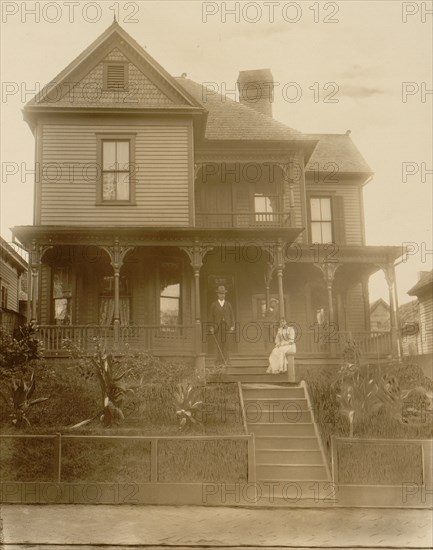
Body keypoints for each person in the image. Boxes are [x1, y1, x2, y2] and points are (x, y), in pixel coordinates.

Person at [209, 285, 235, 366]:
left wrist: (232, 325)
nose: (222, 295)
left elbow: (232, 316)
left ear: (225, 294)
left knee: (227, 344)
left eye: (223, 294)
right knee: (218, 344)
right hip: (218, 327)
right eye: (220, 293)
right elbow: (211, 317)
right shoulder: (214, 305)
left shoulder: (228, 304)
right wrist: (211, 327)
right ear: (218, 294)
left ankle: (227, 361)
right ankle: (218, 361)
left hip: (227, 326)